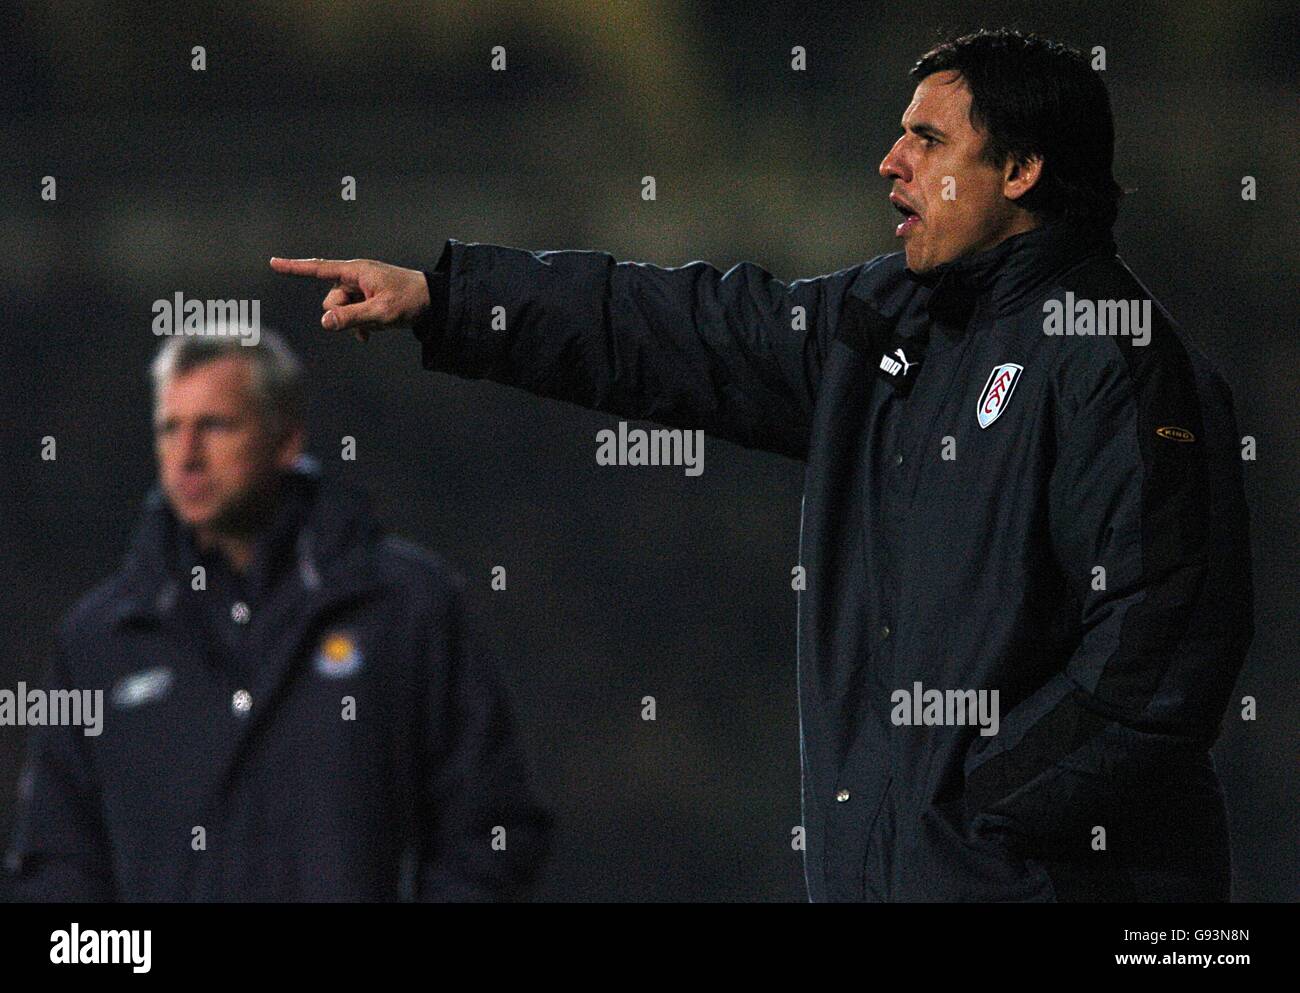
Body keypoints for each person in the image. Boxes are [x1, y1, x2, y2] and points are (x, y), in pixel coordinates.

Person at [270, 28, 1254, 902]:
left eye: (927, 139)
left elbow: (1153, 659)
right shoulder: (889, 325)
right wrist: (451, 299)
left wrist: (970, 806)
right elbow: (677, 331)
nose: (889, 163)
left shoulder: (1110, 365)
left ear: (1023, 168)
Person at [5, 331, 551, 901]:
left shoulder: (405, 605)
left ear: (286, 440)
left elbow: (492, 827)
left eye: (215, 426)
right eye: (170, 428)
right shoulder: (101, 638)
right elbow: (57, 865)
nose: (187, 455)